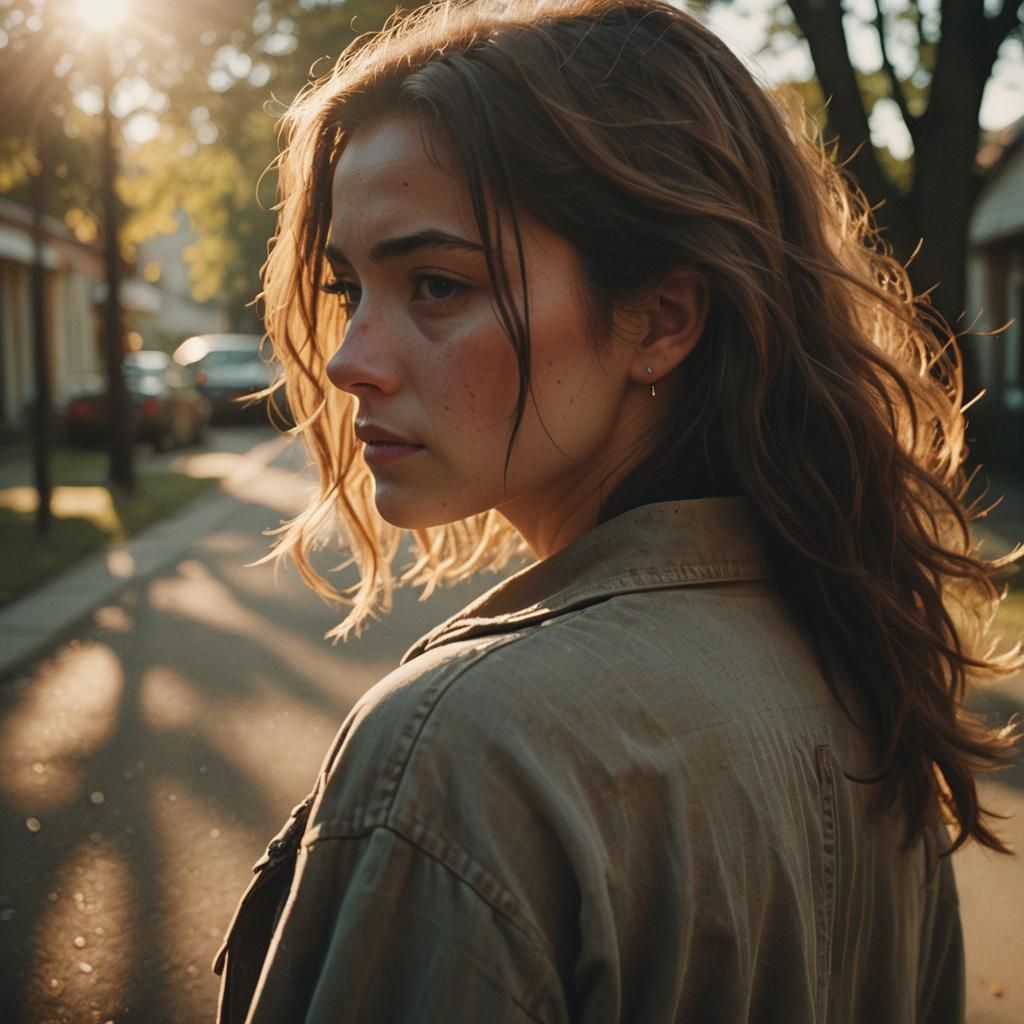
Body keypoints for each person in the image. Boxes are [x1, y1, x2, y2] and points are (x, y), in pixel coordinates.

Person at [213, 1, 1022, 1021]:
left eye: (436, 284)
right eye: (348, 290)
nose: (349, 360)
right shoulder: (859, 658)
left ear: (661, 318)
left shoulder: (469, 748)